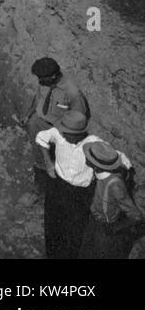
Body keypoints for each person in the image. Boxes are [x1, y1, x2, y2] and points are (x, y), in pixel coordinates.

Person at [35, 109, 131, 259]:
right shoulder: (58, 132)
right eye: (64, 131)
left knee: (74, 230)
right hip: (57, 185)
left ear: (79, 132)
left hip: (80, 194)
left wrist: (116, 180)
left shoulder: (94, 143)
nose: (64, 135)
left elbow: (123, 160)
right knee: (52, 223)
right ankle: (52, 254)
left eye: (68, 133)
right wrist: (48, 163)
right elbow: (41, 138)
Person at [23, 57, 90, 192]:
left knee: (59, 162)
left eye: (42, 78)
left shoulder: (73, 93)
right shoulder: (44, 81)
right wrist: (28, 114)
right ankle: (42, 178)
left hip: (59, 129)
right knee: (39, 154)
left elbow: (79, 118)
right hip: (38, 122)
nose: (39, 80)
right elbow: (38, 97)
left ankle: (56, 185)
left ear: (53, 76)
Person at [79, 142, 144, 259]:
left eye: (89, 157)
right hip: (93, 221)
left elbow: (136, 215)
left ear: (97, 166)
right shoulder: (98, 173)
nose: (85, 157)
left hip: (105, 227)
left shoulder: (114, 184)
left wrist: (115, 228)